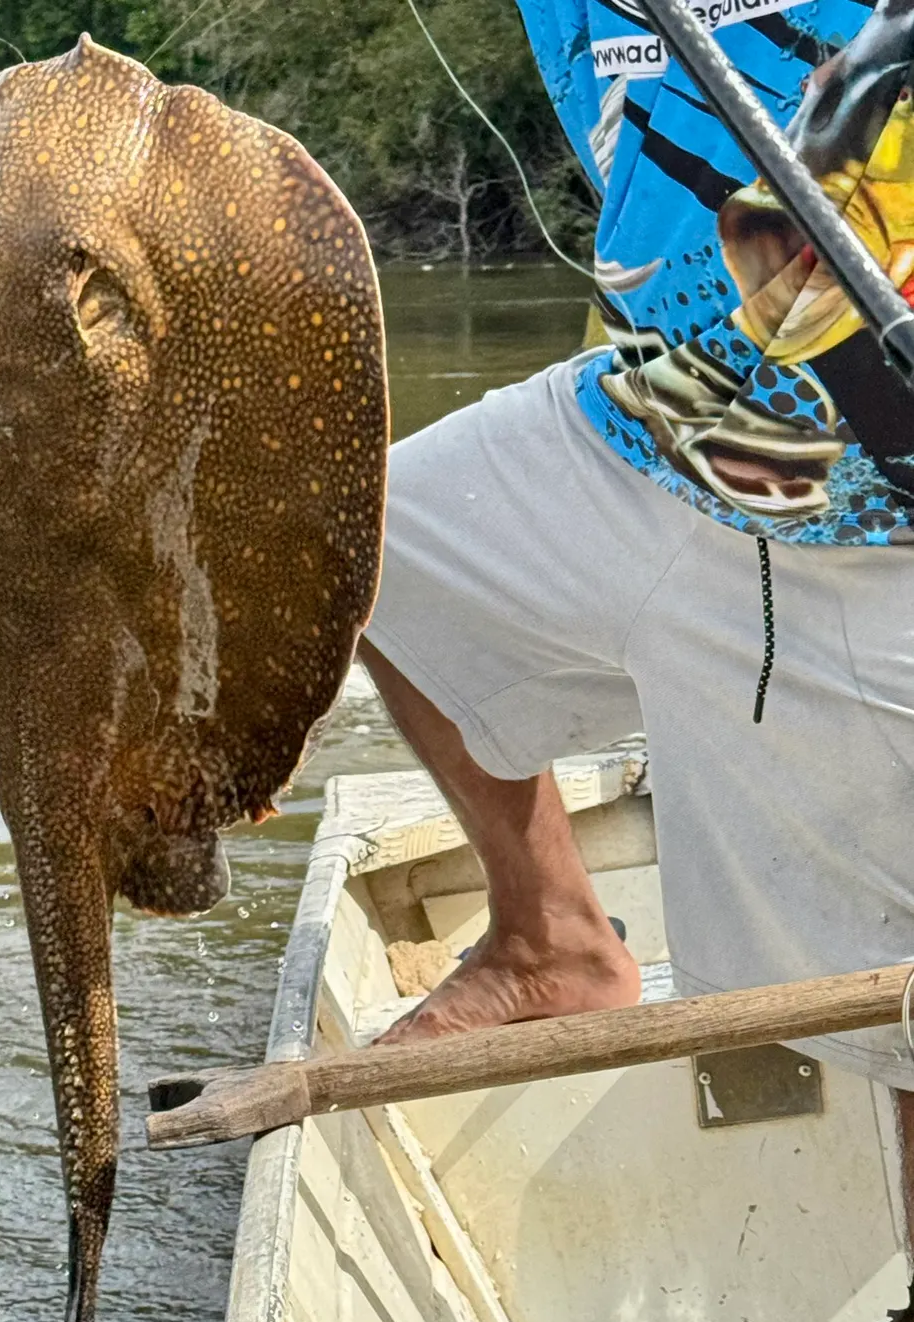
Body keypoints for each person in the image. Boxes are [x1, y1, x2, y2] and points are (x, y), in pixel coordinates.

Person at [363, 0, 914, 1095]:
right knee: (360, 543)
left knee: (898, 1032)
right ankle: (550, 937)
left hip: (875, 526)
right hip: (646, 418)